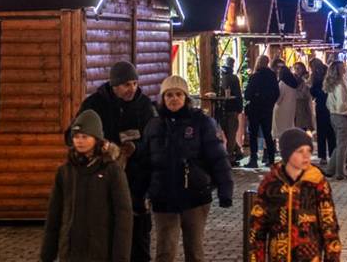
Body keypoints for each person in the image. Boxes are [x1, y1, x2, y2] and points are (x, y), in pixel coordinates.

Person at [140, 76, 233, 262]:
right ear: (163, 98)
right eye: (169, 95)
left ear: (186, 97)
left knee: (194, 251)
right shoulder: (154, 126)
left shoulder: (201, 123)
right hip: (163, 198)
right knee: (164, 252)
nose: (173, 99)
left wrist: (225, 190)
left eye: (178, 94)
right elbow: (143, 163)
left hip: (195, 196)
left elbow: (217, 158)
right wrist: (141, 193)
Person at [70, 60, 155, 262]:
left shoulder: (144, 106)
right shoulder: (94, 106)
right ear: (114, 84)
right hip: (103, 181)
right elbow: (72, 135)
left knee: (138, 238)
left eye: (135, 83)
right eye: (127, 84)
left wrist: (137, 147)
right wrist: (102, 147)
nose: (132, 89)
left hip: (137, 182)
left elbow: (154, 139)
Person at [41, 109, 133, 262]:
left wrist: (121, 257)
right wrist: (46, 256)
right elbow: (54, 216)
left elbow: (123, 217)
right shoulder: (65, 172)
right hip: (70, 252)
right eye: (76, 136)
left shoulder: (112, 170)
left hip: (100, 251)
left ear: (97, 139)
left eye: (85, 136)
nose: (79, 141)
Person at [248, 127, 342, 262]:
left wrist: (332, 257)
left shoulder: (317, 182)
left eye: (309, 151)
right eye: (300, 151)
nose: (306, 156)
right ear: (288, 154)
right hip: (279, 255)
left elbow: (329, 226)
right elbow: (257, 229)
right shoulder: (270, 183)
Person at [322, 59, 347, 180]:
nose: (345, 68)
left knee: (340, 144)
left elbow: (329, 102)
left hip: (334, 115)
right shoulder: (340, 85)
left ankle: (331, 169)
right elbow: (342, 103)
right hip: (342, 115)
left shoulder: (333, 83)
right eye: (343, 67)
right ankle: (340, 173)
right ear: (338, 70)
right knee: (343, 145)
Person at [244, 55, 281, 168]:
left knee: (253, 134)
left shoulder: (255, 76)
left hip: (255, 109)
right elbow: (277, 93)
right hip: (267, 109)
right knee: (268, 134)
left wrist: (255, 97)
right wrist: (270, 103)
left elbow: (247, 95)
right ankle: (271, 159)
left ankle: (254, 159)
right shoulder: (272, 76)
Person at [310, 58, 336, 165]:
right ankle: (332, 154)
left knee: (322, 132)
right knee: (330, 131)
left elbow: (314, 90)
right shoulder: (327, 73)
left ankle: (323, 156)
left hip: (321, 105)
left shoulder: (317, 76)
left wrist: (314, 91)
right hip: (329, 106)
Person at [218, 58, 244, 165]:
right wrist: (240, 108)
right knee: (231, 133)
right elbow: (238, 94)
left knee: (229, 132)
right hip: (231, 108)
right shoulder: (233, 78)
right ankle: (230, 157)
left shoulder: (220, 77)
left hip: (222, 108)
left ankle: (237, 152)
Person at [272, 57, 300, 142]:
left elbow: (278, 99)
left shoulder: (282, 84)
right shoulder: (294, 84)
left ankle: (282, 145)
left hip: (281, 109)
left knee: (280, 129)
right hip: (291, 109)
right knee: (288, 127)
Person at [293, 61, 315, 132]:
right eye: (295, 68)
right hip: (295, 106)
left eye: (298, 68)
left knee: (302, 126)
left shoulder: (306, 78)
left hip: (303, 105)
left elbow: (304, 93)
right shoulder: (293, 79)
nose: (296, 70)